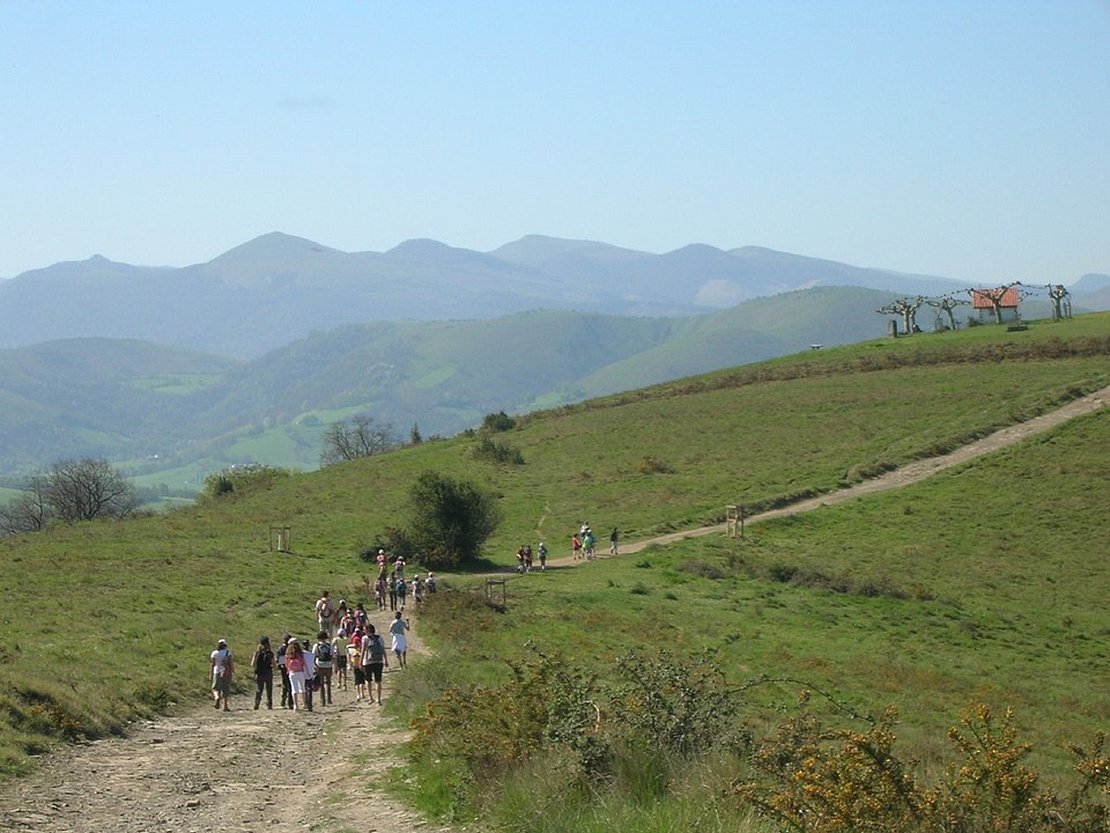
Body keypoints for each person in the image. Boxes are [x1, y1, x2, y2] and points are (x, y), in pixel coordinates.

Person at [361, 624, 388, 704]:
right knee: (378, 681)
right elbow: (383, 649)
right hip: (379, 661)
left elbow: (363, 651)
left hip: (368, 662)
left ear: (368, 630)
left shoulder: (365, 638)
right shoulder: (379, 638)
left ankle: (371, 698)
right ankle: (379, 699)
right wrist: (386, 660)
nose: (363, 630)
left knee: (368, 680)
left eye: (364, 629)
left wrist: (360, 661)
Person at [250, 636, 275, 710]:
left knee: (259, 689)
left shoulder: (257, 653)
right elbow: (274, 664)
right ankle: (269, 704)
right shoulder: (270, 653)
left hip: (259, 673)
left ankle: (257, 703)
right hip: (268, 672)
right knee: (269, 689)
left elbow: (252, 664)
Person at [210, 638, 234, 711]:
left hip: (217, 671)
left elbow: (212, 664)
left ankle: (217, 697)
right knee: (225, 689)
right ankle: (225, 706)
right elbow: (230, 663)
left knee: (215, 688)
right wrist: (232, 671)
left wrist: (211, 673)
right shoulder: (227, 653)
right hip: (226, 672)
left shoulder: (214, 653)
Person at [312, 630, 334, 706]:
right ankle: (329, 699)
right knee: (328, 683)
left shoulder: (316, 645)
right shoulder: (329, 645)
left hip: (320, 665)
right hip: (328, 665)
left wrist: (314, 666)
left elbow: (314, 656)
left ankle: (323, 700)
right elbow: (332, 655)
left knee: (321, 683)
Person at [285, 638, 306, 711]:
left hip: (292, 672)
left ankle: (295, 705)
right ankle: (304, 704)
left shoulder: (288, 653)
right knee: (302, 688)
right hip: (300, 671)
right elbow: (303, 662)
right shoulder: (300, 653)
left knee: (294, 689)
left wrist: (288, 670)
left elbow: (286, 664)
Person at [348, 629, 366, 702]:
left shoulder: (351, 650)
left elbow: (350, 659)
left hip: (355, 667)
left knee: (357, 681)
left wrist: (350, 665)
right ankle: (362, 694)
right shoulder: (362, 650)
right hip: (362, 666)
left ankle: (358, 694)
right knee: (362, 681)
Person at [277, 633, 293, 709]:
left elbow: (279, 659)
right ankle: (290, 702)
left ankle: (283, 699)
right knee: (290, 685)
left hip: (283, 668)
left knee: (284, 684)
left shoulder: (280, 649)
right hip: (291, 668)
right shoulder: (291, 649)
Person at [302, 637, 316, 712]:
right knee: (309, 689)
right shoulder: (311, 654)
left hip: (302, 673)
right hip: (310, 673)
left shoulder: (301, 654)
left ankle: (306, 703)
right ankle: (309, 704)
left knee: (304, 689)